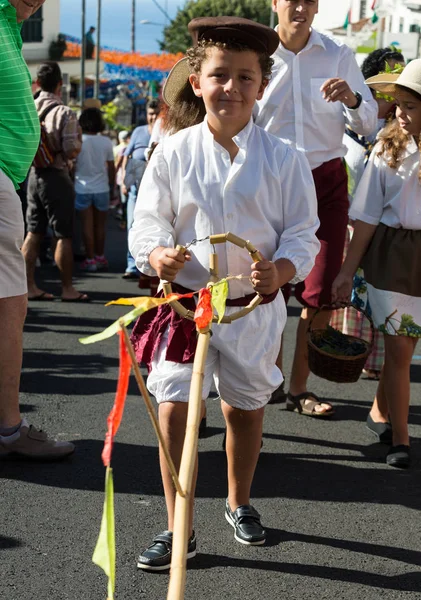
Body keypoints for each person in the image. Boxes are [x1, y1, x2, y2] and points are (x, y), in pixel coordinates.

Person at [129, 16, 320, 570]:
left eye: (244, 77)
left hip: (253, 310)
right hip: (186, 309)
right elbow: (148, 221)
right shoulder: (172, 152)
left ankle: (239, 501)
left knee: (244, 410)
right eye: (219, 75)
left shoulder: (285, 158)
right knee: (172, 411)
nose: (230, 88)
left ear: (262, 84)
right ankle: (177, 524)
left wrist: (283, 268)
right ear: (196, 81)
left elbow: (302, 232)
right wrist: (157, 253)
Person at [255, 0, 378, 415]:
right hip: (271, 181)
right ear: (275, 3)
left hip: (326, 179)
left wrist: (354, 99)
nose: (301, 7)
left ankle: (299, 389)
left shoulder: (338, 53)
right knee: (265, 284)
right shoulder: (258, 53)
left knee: (321, 290)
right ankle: (267, 379)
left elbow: (371, 122)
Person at [332, 59, 421, 469]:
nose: (400, 113)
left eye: (412, 106)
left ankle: (380, 412)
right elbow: (365, 216)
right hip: (393, 255)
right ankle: (401, 440)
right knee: (400, 350)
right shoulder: (386, 149)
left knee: (406, 347)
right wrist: (347, 270)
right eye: (398, 104)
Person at [0, 0, 74, 459]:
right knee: (8, 306)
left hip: (8, 175)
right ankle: (8, 430)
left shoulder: (9, 21)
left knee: (10, 304)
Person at [331, 47, 406, 381]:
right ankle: (352, 353)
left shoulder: (403, 130)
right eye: (383, 90)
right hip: (350, 220)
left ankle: (376, 361)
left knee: (380, 290)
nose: (391, 98)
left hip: (386, 226)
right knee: (352, 288)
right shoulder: (350, 121)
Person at [21, 61, 88, 302]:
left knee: (33, 231)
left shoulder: (30, 107)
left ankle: (28, 286)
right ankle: (68, 289)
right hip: (56, 175)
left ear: (38, 83)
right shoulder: (64, 112)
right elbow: (71, 150)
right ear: (60, 84)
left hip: (33, 174)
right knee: (63, 233)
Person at [121, 100, 160, 279]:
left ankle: (149, 266)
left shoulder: (164, 131)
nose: (153, 117)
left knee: (154, 225)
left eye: (156, 113)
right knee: (132, 224)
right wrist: (123, 179)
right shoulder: (138, 131)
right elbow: (127, 155)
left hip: (156, 188)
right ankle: (131, 265)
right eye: (150, 113)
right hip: (136, 186)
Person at [74, 108, 115, 272]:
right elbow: (111, 167)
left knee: (87, 226)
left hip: (82, 187)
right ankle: (100, 256)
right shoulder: (106, 142)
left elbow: (72, 165)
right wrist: (111, 185)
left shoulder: (79, 141)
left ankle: (90, 259)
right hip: (102, 187)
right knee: (100, 226)